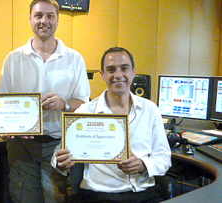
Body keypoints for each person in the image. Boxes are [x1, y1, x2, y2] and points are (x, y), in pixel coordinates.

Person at [0, 0, 90, 203]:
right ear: (30, 19)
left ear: (58, 20)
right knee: (23, 198)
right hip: (21, 148)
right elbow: (2, 105)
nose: (44, 21)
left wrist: (64, 104)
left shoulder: (74, 58)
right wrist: (10, 128)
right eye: (38, 15)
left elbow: (85, 104)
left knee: (56, 198)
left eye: (50, 16)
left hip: (59, 146)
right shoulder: (14, 58)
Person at [54, 47, 172, 203]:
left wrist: (143, 165)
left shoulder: (150, 110)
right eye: (111, 70)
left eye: (124, 68)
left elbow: (164, 157)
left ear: (133, 72)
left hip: (143, 193)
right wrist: (61, 161)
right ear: (102, 75)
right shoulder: (86, 112)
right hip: (99, 195)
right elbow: (60, 151)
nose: (118, 75)